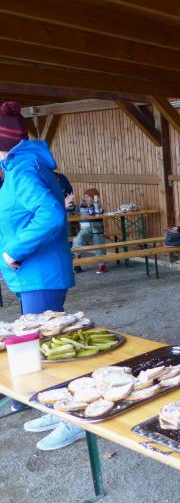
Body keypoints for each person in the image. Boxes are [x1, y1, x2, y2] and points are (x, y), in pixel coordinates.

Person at [0, 101, 84, 450]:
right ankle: (55, 405)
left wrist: (13, 250)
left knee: (51, 346)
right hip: (35, 273)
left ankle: (73, 420)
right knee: (40, 345)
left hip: (40, 272)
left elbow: (50, 213)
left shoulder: (23, 169)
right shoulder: (21, 164)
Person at [71, 188, 108, 274]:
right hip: (85, 229)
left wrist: (96, 201)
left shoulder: (97, 206)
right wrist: (71, 203)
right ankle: (77, 261)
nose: (85, 198)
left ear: (93, 197)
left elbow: (99, 211)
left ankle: (102, 266)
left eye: (88, 197)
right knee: (77, 240)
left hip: (97, 229)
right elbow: (73, 209)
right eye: (85, 197)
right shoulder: (81, 207)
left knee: (99, 245)